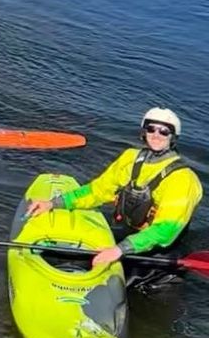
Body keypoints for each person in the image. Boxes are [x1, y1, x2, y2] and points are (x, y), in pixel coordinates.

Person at [25, 108, 201, 275]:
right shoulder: (130, 158)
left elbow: (166, 230)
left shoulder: (183, 179)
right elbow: (98, 190)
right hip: (128, 237)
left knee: (141, 299)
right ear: (144, 132)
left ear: (173, 137)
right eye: (151, 128)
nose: (156, 135)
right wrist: (55, 203)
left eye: (164, 131)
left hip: (159, 254)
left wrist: (119, 250)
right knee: (64, 258)